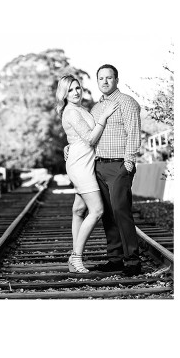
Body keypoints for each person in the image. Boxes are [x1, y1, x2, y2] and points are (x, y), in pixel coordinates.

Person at [57, 75, 119, 273]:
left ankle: (74, 258)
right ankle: (76, 257)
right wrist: (104, 116)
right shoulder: (72, 112)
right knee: (97, 211)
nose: (75, 92)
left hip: (83, 161)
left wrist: (69, 145)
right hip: (80, 165)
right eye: (70, 90)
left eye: (77, 88)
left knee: (78, 211)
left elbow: (77, 139)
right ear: (64, 94)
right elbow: (90, 139)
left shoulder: (79, 109)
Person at [89, 64, 144, 276]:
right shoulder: (95, 109)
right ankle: (115, 258)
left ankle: (132, 261)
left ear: (116, 79)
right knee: (108, 214)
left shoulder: (127, 103)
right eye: (101, 78)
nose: (105, 81)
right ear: (97, 81)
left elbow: (133, 134)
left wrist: (128, 163)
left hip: (119, 164)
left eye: (109, 78)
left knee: (121, 211)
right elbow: (89, 136)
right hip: (99, 165)